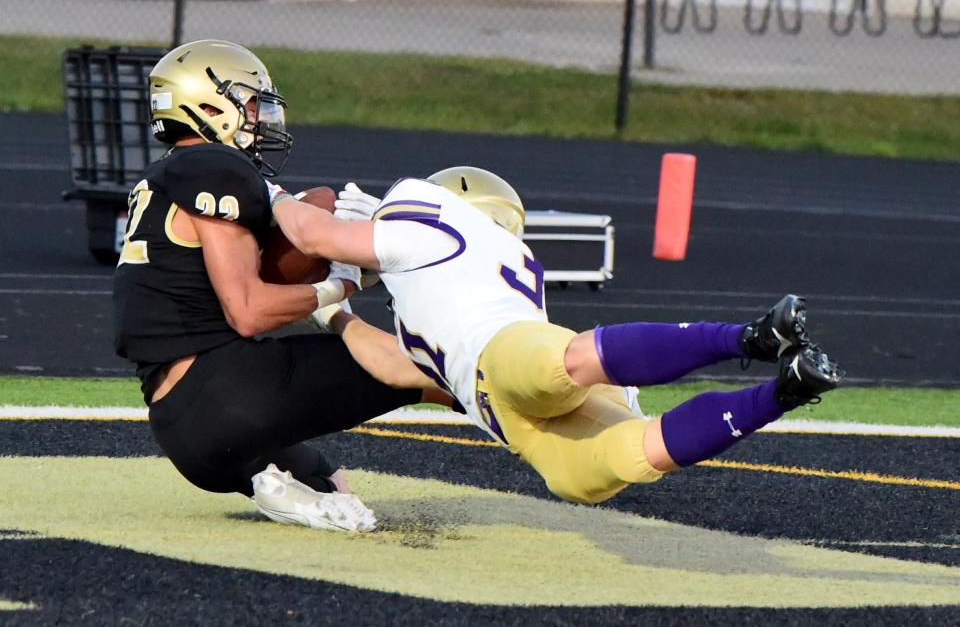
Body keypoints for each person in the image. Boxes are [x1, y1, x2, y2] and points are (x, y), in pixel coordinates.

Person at [267, 167, 844, 504]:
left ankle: (748, 338)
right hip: (510, 405)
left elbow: (316, 236)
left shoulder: (430, 227)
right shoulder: (436, 289)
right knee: (598, 473)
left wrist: (269, 195)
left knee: (555, 367)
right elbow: (397, 368)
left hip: (507, 354)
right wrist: (333, 315)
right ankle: (784, 392)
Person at [112, 39, 440, 532]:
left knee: (333, 485)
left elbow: (239, 285)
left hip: (185, 430)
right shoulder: (215, 167)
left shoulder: (162, 179)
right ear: (207, 105)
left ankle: (286, 492)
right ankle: (530, 406)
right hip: (226, 395)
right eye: (249, 102)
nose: (259, 117)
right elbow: (247, 309)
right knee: (433, 368)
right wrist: (338, 286)